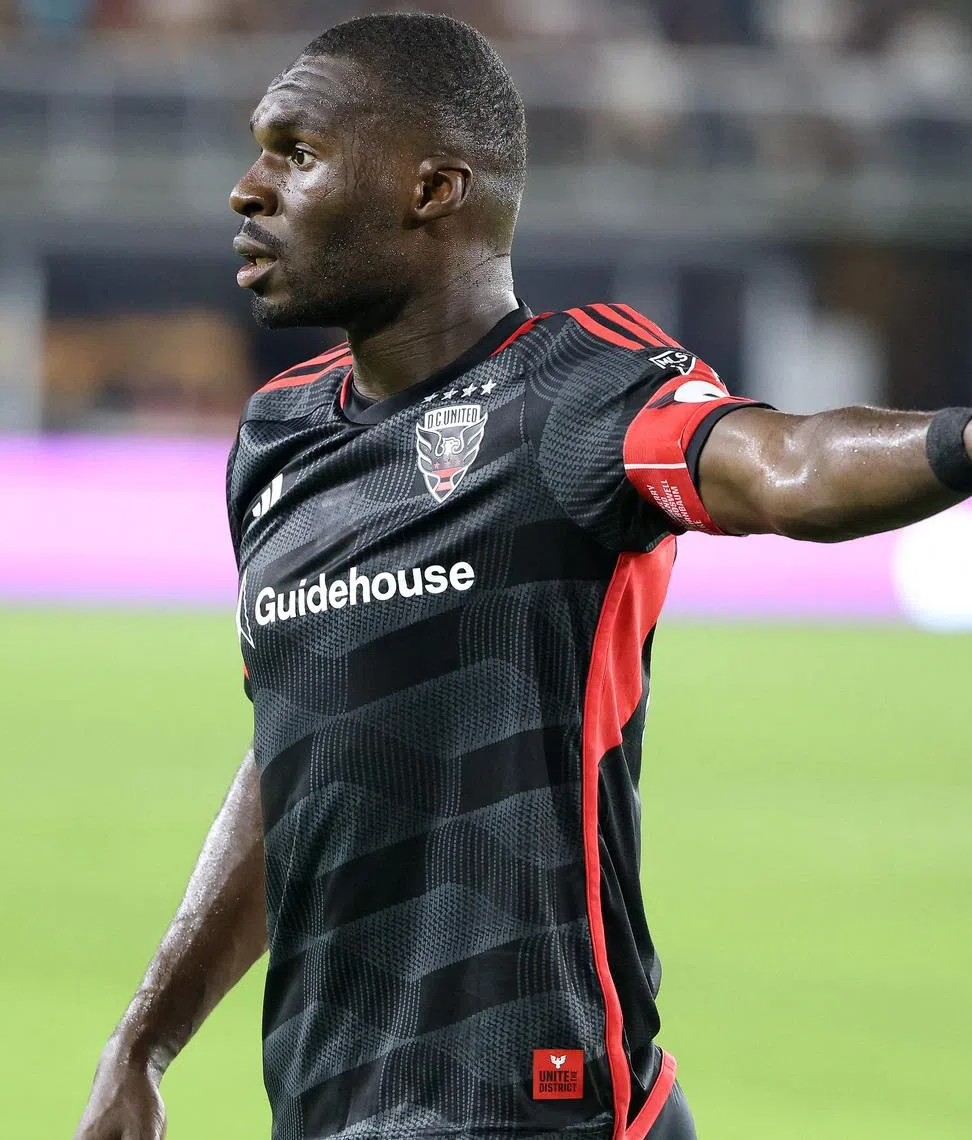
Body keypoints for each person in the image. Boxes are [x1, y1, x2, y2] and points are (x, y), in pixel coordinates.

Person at [73, 13, 972, 1140]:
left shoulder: (579, 390)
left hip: (549, 1112)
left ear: (433, 188)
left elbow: (786, 467)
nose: (248, 189)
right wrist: (144, 1041)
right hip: (328, 1112)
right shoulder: (278, 437)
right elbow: (298, 759)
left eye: (297, 154)